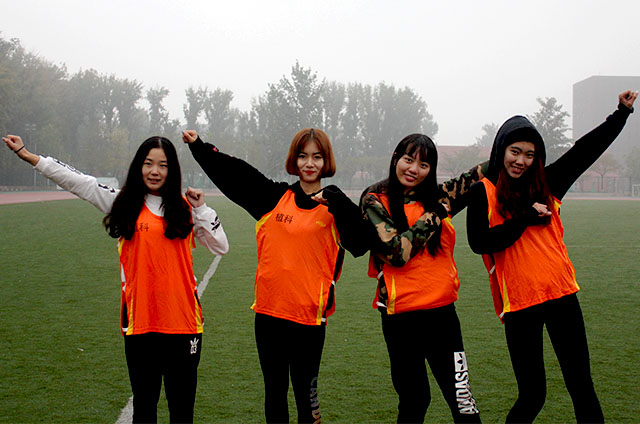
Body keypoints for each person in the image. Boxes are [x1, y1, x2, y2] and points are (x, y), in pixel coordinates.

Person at [3, 134, 229, 423]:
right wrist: (30, 157)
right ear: (138, 166)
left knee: (182, 412)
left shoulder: (185, 209)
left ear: (172, 170)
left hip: (184, 324)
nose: (155, 171)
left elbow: (221, 246)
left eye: (162, 165)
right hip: (140, 324)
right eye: (148, 163)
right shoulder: (123, 204)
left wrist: (202, 209)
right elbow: (80, 182)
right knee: (144, 410)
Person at [466, 90, 637, 423]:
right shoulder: (482, 192)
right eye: (515, 152)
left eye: (530, 154)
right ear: (501, 151)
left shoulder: (548, 183)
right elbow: (480, 242)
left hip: (562, 296)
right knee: (533, 395)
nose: (521, 161)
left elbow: (586, 150)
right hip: (520, 304)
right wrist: (525, 218)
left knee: (581, 386)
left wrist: (621, 113)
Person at [182, 128, 369, 423]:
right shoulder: (273, 198)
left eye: (317, 157)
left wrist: (339, 201)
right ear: (294, 160)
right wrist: (200, 147)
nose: (309, 163)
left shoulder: (335, 206)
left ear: (326, 162)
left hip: (309, 320)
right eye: (303, 156)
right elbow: (235, 174)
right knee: (275, 394)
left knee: (307, 399)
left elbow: (361, 244)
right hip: (269, 316)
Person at [360, 133, 486, 423]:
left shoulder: (439, 197)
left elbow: (478, 174)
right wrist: (434, 216)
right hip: (400, 319)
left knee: (463, 400)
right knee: (415, 401)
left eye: (424, 165)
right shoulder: (374, 199)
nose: (414, 169)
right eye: (408, 160)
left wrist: (511, 149)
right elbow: (396, 253)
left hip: (443, 316)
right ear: (396, 159)